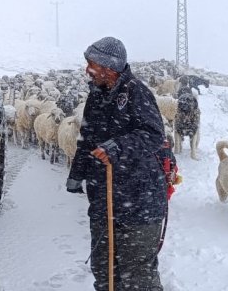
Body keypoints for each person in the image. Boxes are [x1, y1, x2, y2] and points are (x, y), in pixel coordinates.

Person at [66, 36, 167, 291]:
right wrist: (77, 172)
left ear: (108, 67)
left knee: (137, 276)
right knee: (104, 271)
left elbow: (154, 134)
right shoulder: (96, 96)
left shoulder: (136, 92)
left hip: (138, 201)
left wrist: (117, 147)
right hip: (104, 200)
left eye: (91, 64)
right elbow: (88, 137)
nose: (87, 70)